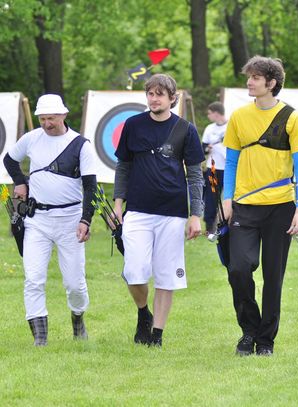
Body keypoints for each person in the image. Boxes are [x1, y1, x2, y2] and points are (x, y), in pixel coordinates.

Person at [222, 55, 298, 356]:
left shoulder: (292, 118)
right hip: (244, 206)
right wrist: (227, 198)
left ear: (271, 83)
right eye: (249, 77)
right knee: (238, 269)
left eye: (256, 78)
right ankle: (249, 330)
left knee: (273, 277)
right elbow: (231, 161)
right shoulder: (238, 117)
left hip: (280, 207)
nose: (249, 82)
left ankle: (265, 341)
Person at [113, 73, 205, 347]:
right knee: (134, 270)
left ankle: (157, 335)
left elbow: (195, 176)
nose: (154, 99)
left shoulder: (185, 129)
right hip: (137, 211)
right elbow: (123, 166)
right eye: (150, 94)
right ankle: (143, 312)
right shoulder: (133, 125)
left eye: (159, 94)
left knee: (166, 276)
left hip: (173, 213)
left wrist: (196, 215)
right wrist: (118, 203)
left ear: (172, 98)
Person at [2, 94, 97, 346]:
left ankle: (78, 319)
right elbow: (9, 159)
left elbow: (90, 187)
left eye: (52, 118)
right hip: (37, 220)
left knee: (75, 283)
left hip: (70, 220)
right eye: (42, 119)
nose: (47, 123)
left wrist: (86, 220)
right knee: (33, 279)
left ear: (64, 115)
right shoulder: (31, 138)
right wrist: (20, 182)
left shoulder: (80, 145)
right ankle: (40, 339)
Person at [201, 102, 227, 233]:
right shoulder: (209, 128)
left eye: (209, 113)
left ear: (216, 113)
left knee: (229, 198)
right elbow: (203, 148)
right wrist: (207, 148)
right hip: (213, 170)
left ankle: (230, 225)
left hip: (229, 169)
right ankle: (209, 227)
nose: (208, 116)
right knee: (211, 198)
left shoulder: (231, 127)